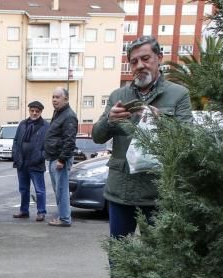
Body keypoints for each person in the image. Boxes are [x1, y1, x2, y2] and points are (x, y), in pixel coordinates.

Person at [92, 35, 191, 239]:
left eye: (145, 58)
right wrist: (109, 120)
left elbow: (187, 138)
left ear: (159, 58)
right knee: (119, 254)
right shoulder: (117, 96)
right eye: (134, 61)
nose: (140, 65)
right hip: (121, 190)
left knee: (157, 257)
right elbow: (97, 137)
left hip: (158, 192)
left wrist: (161, 121)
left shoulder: (179, 94)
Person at [43, 87, 79, 228]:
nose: (54, 100)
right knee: (58, 190)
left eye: (58, 97)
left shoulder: (69, 116)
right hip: (54, 157)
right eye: (53, 97)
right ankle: (62, 216)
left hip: (60, 159)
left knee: (62, 190)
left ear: (66, 99)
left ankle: (64, 219)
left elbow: (69, 140)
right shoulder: (59, 113)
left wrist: (62, 160)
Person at [11, 101, 49, 222]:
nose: (34, 113)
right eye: (32, 110)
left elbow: (48, 146)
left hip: (36, 163)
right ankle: (24, 211)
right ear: (29, 111)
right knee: (23, 189)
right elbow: (16, 141)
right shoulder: (22, 124)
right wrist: (16, 156)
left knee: (39, 190)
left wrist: (41, 156)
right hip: (22, 163)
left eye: (37, 111)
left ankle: (41, 212)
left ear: (40, 112)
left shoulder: (45, 126)